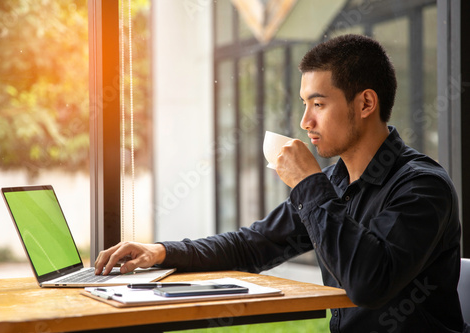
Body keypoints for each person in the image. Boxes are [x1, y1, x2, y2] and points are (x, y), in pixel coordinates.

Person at [95, 34, 465, 332]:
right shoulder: (334, 181)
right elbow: (252, 245)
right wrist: (160, 251)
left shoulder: (422, 188)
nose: (305, 122)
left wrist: (307, 183)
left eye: (318, 104)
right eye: (305, 104)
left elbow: (369, 283)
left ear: (366, 103)